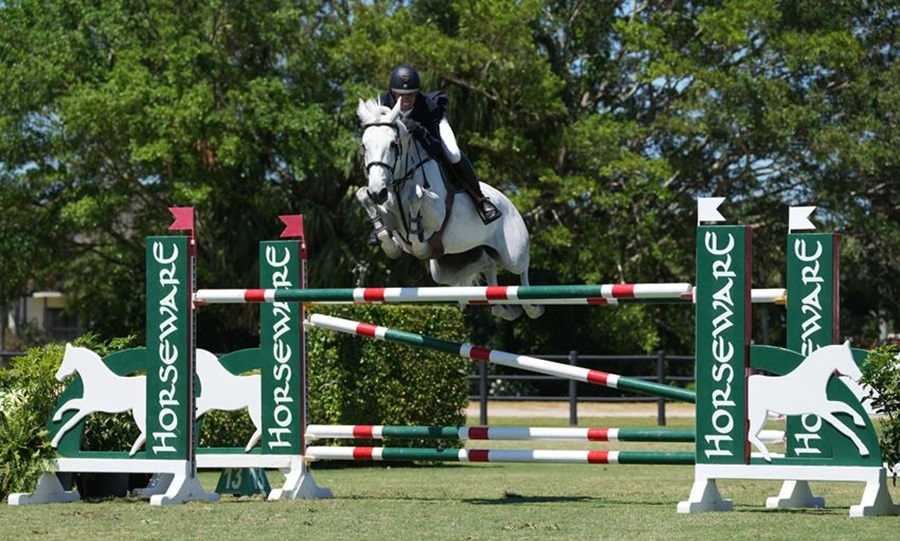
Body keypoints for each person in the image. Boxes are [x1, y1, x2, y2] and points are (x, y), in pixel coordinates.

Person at [378, 64, 501, 225]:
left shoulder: (429, 107)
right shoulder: (382, 103)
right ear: (392, 92)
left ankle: (480, 199)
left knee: (453, 154)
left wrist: (420, 131)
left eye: (410, 95)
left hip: (431, 127)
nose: (405, 100)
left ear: (417, 93)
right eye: (400, 94)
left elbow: (435, 149)